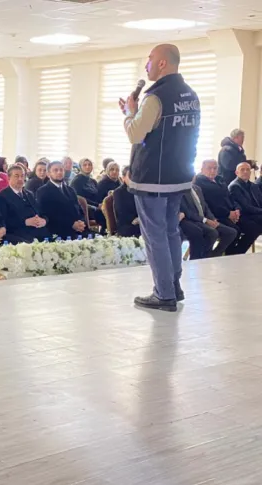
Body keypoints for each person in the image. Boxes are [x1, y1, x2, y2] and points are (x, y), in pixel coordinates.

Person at [122, 43, 199, 311]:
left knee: (154, 235)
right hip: (179, 176)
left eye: (150, 59)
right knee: (170, 232)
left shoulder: (155, 97)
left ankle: (163, 293)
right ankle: (174, 287)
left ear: (163, 63)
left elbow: (136, 134)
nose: (147, 64)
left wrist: (130, 112)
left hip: (152, 178)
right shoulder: (190, 94)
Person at [195, 159, 260, 255]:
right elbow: (210, 204)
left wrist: (236, 209)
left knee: (253, 228)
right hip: (217, 215)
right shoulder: (200, 183)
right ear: (202, 169)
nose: (212, 171)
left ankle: (233, 253)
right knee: (237, 230)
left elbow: (230, 197)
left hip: (231, 213)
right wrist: (228, 213)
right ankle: (224, 254)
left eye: (215, 168)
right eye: (209, 168)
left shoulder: (220, 180)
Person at [180, 178, 237, 259]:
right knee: (212, 233)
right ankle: (200, 258)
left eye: (192, 175)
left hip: (206, 219)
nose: (191, 178)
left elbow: (205, 206)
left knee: (231, 232)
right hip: (194, 221)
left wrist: (212, 218)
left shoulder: (197, 188)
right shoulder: (181, 191)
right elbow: (187, 212)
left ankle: (213, 256)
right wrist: (205, 220)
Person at [0, 164, 50, 243]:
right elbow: (3, 221)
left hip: (37, 231)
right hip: (17, 233)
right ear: (8, 178)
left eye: (22, 176)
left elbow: (41, 212)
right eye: (16, 176)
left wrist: (44, 220)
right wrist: (25, 222)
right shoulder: (2, 196)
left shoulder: (29, 194)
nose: (20, 179)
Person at [36, 161, 88, 240]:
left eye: (61, 170)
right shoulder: (43, 191)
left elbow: (79, 210)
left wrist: (81, 222)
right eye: (55, 170)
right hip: (58, 231)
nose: (59, 172)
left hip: (78, 229)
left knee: (100, 240)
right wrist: (71, 224)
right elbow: (49, 215)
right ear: (48, 174)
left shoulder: (71, 190)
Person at [70, 158, 107, 231]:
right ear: (80, 167)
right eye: (85, 165)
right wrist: (96, 205)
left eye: (89, 165)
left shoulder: (93, 181)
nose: (87, 167)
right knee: (101, 212)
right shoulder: (77, 180)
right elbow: (79, 198)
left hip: (96, 206)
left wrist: (101, 204)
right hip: (85, 207)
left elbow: (97, 195)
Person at [113, 167, 141, 238]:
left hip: (141, 222)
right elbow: (121, 213)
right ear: (123, 178)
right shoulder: (119, 192)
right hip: (127, 224)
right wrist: (137, 219)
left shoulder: (140, 191)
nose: (133, 179)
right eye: (130, 176)